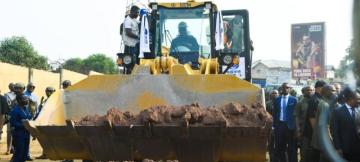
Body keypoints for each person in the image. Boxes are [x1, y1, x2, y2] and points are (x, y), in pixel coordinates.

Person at [332, 88, 360, 162]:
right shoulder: (338, 111)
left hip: (358, 148)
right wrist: (338, 148)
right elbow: (335, 131)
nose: (359, 101)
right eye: (358, 99)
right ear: (351, 99)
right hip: (345, 149)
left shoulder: (358, 110)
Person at [312, 85, 337, 162]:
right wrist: (330, 139)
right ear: (326, 92)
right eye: (332, 90)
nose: (335, 92)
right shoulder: (324, 105)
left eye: (335, 90)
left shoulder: (324, 103)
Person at [273, 83, 298, 162]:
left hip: (290, 126)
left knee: (291, 147)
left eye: (287, 87)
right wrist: (274, 126)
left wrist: (296, 128)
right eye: (283, 87)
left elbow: (296, 115)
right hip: (279, 126)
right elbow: (275, 113)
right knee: (280, 146)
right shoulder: (277, 99)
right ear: (281, 89)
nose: (285, 89)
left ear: (290, 89)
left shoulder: (294, 100)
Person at [303, 80, 326, 162]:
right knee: (312, 155)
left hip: (315, 132)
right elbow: (312, 118)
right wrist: (317, 133)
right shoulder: (315, 100)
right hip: (312, 133)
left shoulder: (320, 98)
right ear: (319, 88)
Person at [10, 94, 33, 162]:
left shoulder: (26, 109)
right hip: (19, 134)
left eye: (27, 98)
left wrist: (32, 114)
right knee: (18, 153)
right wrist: (24, 124)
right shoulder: (15, 111)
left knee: (25, 153)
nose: (27, 100)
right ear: (19, 100)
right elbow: (13, 123)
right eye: (24, 99)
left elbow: (29, 118)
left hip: (26, 134)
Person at [295, 85, 314, 162]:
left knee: (313, 151)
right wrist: (298, 131)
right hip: (304, 131)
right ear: (304, 92)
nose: (310, 92)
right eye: (308, 90)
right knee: (304, 151)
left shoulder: (316, 101)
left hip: (314, 131)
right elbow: (296, 117)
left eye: (312, 90)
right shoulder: (300, 103)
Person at [266, 89, 278, 162]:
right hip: (270, 125)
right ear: (271, 95)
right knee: (271, 143)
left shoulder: (280, 102)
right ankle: (272, 159)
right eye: (273, 93)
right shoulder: (267, 104)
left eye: (276, 93)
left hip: (279, 126)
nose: (274, 95)